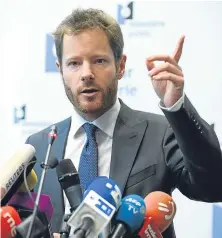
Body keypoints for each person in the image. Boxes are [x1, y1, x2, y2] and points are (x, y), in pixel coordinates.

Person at [26, 8, 222, 238]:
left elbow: (213, 186)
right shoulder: (39, 146)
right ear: (60, 70)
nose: (87, 73)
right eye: (74, 63)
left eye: (99, 61)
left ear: (120, 66)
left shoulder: (160, 133)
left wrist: (176, 106)